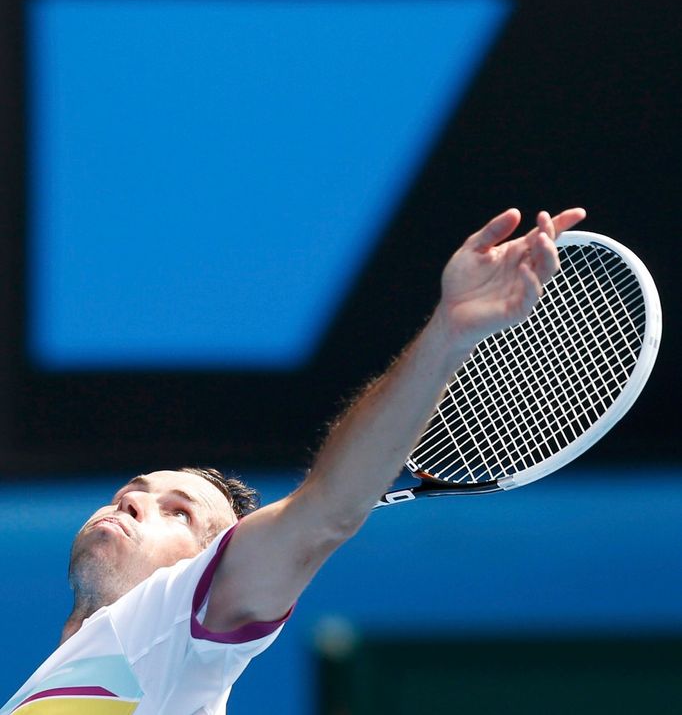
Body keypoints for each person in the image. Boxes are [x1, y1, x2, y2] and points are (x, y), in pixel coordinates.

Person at [0, 206, 586, 714]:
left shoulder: (175, 622)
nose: (133, 501)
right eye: (137, 490)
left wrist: (448, 335)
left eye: (179, 513)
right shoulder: (89, 672)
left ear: (214, 567)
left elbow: (327, 510)